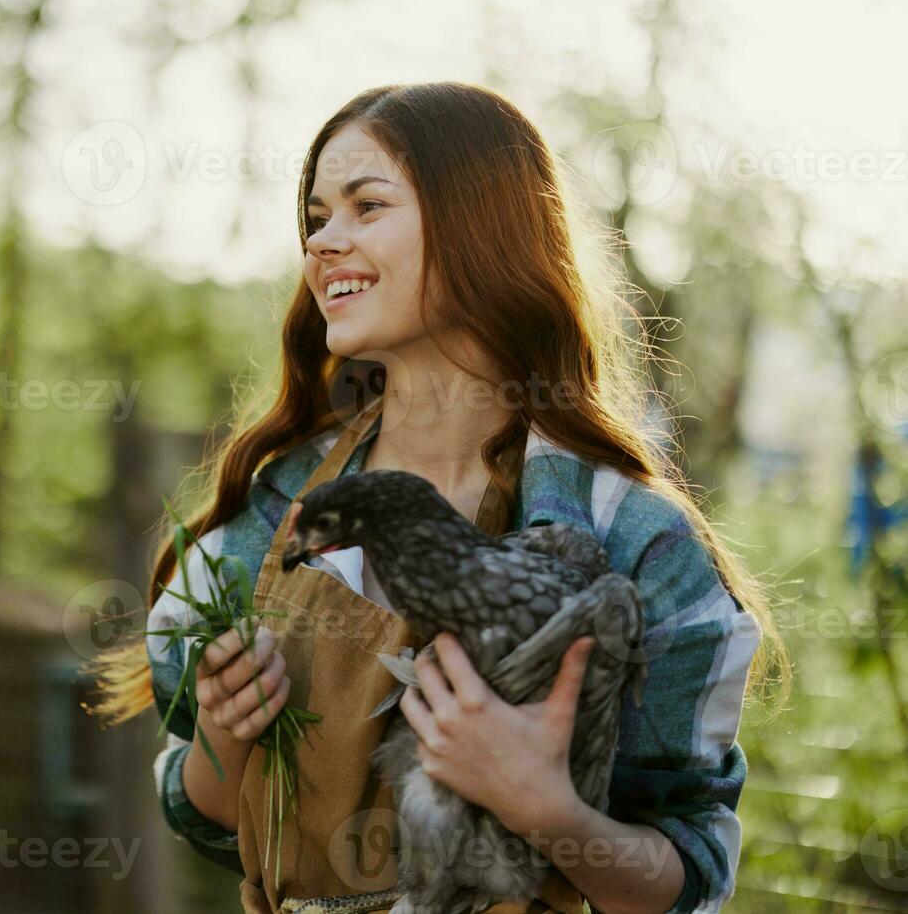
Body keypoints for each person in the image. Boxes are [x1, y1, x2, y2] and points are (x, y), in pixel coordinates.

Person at [86, 81, 785, 914]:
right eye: (316, 219)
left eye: (365, 206)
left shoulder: (634, 539)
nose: (323, 244)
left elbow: (686, 877)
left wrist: (546, 809)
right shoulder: (275, 508)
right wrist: (225, 730)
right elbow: (204, 811)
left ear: (479, 228)